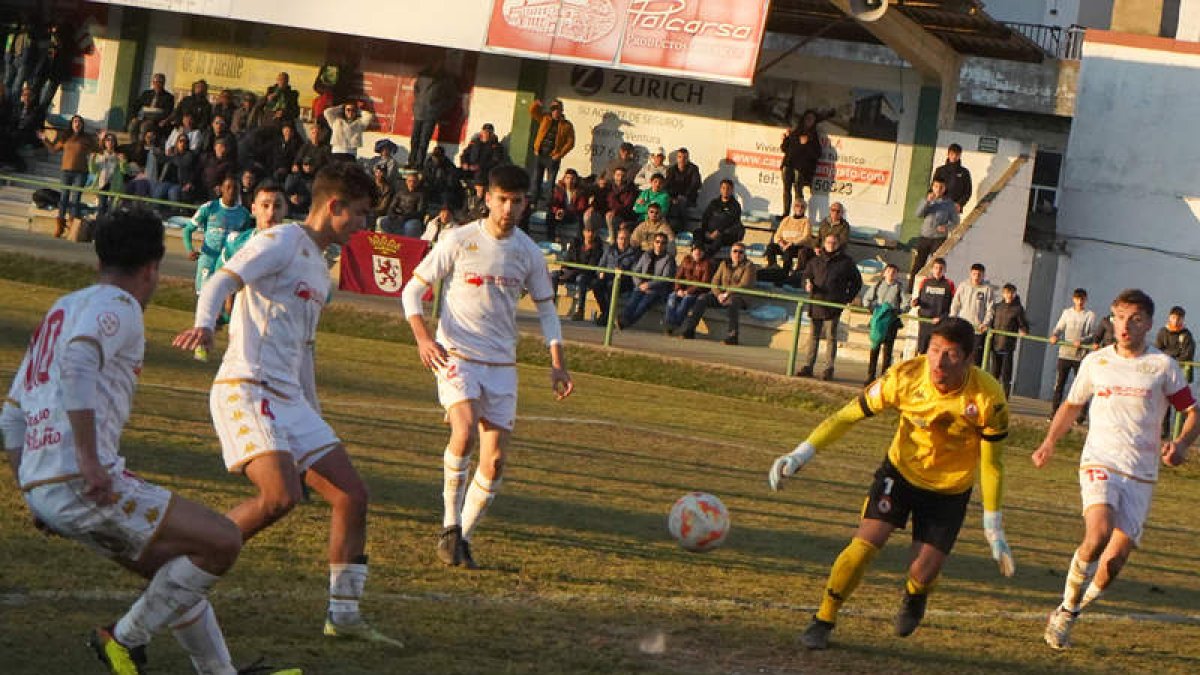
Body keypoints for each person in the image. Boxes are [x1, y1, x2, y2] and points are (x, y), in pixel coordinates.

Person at [0, 210, 251, 674]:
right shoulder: (120, 306)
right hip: (83, 479)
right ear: (153, 267)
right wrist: (88, 460)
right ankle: (123, 638)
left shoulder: (64, 305)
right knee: (222, 540)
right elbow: (78, 365)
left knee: (174, 570)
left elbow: (11, 416)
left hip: (44, 485)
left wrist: (32, 489)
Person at [172, 162, 400, 647]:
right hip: (248, 386)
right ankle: (184, 571)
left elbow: (305, 350)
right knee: (280, 499)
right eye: (358, 214)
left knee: (352, 496)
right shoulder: (280, 241)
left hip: (290, 401)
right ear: (333, 207)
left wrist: (314, 413)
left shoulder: (320, 269)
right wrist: (204, 324)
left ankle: (343, 614)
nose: (362, 225)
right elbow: (221, 282)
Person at [770, 317, 1015, 651]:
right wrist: (799, 455)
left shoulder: (989, 399)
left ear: (970, 358)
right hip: (899, 474)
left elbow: (991, 463)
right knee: (864, 545)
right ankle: (823, 618)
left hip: (948, 492)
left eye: (951, 354)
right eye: (934, 350)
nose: (939, 362)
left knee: (922, 572)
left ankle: (915, 596)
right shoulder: (904, 377)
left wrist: (993, 525)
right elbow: (847, 415)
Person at [402, 165, 574, 569]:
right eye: (502, 199)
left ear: (525, 203)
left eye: (516, 201)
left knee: (494, 462)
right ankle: (448, 524)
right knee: (463, 429)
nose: (508, 208)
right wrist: (424, 338)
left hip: (501, 365)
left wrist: (557, 364)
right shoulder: (459, 239)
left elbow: (548, 311)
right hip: (455, 354)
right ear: (488, 198)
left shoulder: (529, 253)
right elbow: (412, 291)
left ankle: (461, 536)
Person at [1032, 289, 1198, 651]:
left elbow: (1192, 411)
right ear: (1112, 318)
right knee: (1098, 533)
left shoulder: (1162, 366)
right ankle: (1067, 611)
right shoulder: (1097, 362)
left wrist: (1182, 445)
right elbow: (1073, 405)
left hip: (1140, 473)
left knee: (1113, 563)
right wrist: (1049, 442)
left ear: (1148, 324)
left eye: (1134, 318)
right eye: (1119, 316)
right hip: (1100, 460)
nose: (1125, 325)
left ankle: (1067, 610)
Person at [797, 233, 862, 380]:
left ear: (838, 244)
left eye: (834, 243)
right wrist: (807, 284)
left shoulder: (846, 262)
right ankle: (808, 366)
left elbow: (857, 282)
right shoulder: (815, 261)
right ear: (824, 243)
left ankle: (828, 368)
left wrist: (846, 299)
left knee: (831, 337)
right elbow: (805, 277)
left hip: (833, 305)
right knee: (813, 336)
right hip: (816, 303)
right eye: (828, 242)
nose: (831, 245)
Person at [182, 174, 253, 297]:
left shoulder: (244, 214)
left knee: (226, 299)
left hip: (229, 262)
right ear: (221, 189)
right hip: (208, 259)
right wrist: (189, 249)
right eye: (228, 187)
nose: (231, 191)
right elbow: (187, 230)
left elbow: (245, 241)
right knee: (204, 297)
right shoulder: (209, 208)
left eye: (235, 188)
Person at [678, 242, 756, 345]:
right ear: (730, 253)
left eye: (740, 252)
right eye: (735, 251)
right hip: (721, 296)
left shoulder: (749, 266)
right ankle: (690, 330)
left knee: (733, 303)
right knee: (702, 299)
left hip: (739, 297)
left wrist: (727, 294)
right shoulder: (724, 264)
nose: (737, 254)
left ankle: (733, 335)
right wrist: (718, 294)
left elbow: (744, 284)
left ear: (744, 254)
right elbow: (714, 281)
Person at [38, 114, 95, 237]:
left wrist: (101, 139)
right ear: (72, 124)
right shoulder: (66, 137)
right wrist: (45, 139)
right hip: (66, 171)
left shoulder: (86, 138)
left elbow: (97, 149)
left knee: (76, 199)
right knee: (64, 197)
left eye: (79, 121)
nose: (77, 123)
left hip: (81, 172)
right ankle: (60, 225)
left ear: (82, 125)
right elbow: (53, 150)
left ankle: (73, 225)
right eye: (75, 121)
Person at [1049, 289, 1097, 422]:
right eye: (1077, 299)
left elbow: (1092, 335)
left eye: (1082, 299)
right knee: (1059, 384)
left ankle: (1081, 416)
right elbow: (1059, 327)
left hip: (1080, 356)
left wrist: (1081, 341)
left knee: (1081, 386)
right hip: (1065, 354)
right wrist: (1055, 335)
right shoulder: (1067, 313)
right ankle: (1054, 413)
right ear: (1073, 299)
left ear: (1085, 300)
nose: (1079, 302)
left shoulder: (1089, 315)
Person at [618, 232, 677, 330]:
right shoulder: (646, 255)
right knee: (633, 301)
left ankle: (625, 322)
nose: (659, 245)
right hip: (641, 286)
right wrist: (640, 284)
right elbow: (636, 271)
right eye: (657, 242)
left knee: (643, 304)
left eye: (663, 243)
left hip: (656, 290)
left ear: (666, 245)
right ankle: (623, 319)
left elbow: (665, 278)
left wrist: (649, 285)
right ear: (653, 243)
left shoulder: (669, 259)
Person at [908, 178, 959, 290]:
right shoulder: (927, 200)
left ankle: (932, 287)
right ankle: (910, 289)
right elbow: (918, 214)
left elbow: (956, 222)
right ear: (932, 187)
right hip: (925, 236)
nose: (938, 189)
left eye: (941, 187)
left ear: (945, 189)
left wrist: (946, 227)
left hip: (939, 238)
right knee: (918, 264)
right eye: (936, 187)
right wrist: (927, 202)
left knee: (936, 264)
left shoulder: (949, 204)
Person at [552, 223, 606, 321]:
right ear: (584, 232)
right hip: (572, 271)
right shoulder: (576, 242)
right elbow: (568, 259)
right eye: (588, 231)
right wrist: (564, 269)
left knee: (581, 279)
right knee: (554, 275)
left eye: (593, 232)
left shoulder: (598, 248)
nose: (590, 234)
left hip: (587, 275)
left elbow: (590, 267)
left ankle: (580, 311)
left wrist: (571, 272)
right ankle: (550, 308)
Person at [1154, 306, 1195, 436]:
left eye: (1179, 318)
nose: (1176, 321)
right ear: (1169, 317)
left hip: (1182, 375)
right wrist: (1174, 355)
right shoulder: (1163, 332)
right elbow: (1157, 351)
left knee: (1183, 406)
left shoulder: (1187, 335)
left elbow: (1187, 355)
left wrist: (1169, 356)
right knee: (1163, 403)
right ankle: (1164, 432)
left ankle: (1180, 434)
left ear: (1183, 319)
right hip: (1164, 373)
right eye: (1173, 318)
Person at [863, 263, 906, 384]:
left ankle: (883, 377)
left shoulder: (899, 288)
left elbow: (905, 303)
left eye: (894, 272)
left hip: (891, 322)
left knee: (888, 350)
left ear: (897, 274)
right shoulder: (877, 285)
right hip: (878, 321)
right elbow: (866, 299)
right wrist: (873, 309)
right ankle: (870, 375)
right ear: (884, 273)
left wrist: (899, 310)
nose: (891, 274)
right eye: (889, 271)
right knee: (874, 347)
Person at [410, 59, 458, 168]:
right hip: (419, 112)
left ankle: (419, 163)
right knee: (414, 139)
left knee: (423, 141)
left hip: (431, 114)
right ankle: (411, 161)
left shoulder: (445, 79)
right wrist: (417, 103)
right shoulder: (422, 76)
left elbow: (451, 97)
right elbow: (416, 90)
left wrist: (439, 108)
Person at [779, 109, 828, 216]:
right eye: (807, 118)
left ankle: (798, 215)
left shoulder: (814, 136)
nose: (809, 121)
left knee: (798, 191)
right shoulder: (795, 132)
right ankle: (785, 214)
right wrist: (785, 139)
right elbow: (784, 148)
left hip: (801, 168)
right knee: (786, 190)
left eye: (812, 119)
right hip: (788, 165)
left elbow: (817, 154)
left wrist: (806, 144)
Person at [528, 99, 574, 204]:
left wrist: (559, 154)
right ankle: (534, 201)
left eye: (557, 108)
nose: (555, 111)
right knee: (536, 178)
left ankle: (548, 203)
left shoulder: (566, 125)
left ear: (562, 110)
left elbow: (570, 142)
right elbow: (532, 111)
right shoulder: (545, 118)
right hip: (540, 153)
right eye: (553, 108)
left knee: (550, 182)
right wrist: (536, 104)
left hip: (553, 157)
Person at [949, 263, 996, 365]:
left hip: (977, 329)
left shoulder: (987, 289)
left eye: (979, 274)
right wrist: (953, 319)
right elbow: (955, 304)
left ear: (983, 275)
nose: (976, 277)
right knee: (958, 354)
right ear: (970, 274)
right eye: (974, 274)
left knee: (974, 358)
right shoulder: (963, 286)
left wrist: (985, 323)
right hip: (962, 327)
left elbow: (990, 309)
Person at [988, 283, 1030, 397]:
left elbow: (1023, 324)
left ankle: (1005, 398)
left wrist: (1023, 330)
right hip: (995, 344)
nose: (1009, 295)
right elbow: (991, 322)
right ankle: (992, 396)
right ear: (1003, 294)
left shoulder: (1018, 309)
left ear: (1015, 293)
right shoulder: (997, 307)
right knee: (994, 373)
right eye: (1007, 293)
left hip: (1008, 346)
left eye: (1012, 293)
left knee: (1006, 374)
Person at [593, 227, 640, 326]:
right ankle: (606, 313)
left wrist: (623, 271)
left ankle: (606, 317)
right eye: (621, 238)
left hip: (623, 281)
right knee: (595, 284)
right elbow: (601, 265)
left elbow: (635, 271)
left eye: (625, 239)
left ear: (629, 240)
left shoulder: (634, 254)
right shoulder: (609, 250)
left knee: (611, 286)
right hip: (607, 277)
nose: (623, 241)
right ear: (617, 239)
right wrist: (600, 272)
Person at [664, 244, 713, 335]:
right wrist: (678, 289)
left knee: (686, 300)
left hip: (697, 292)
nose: (697, 252)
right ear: (692, 251)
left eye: (700, 251)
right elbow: (678, 277)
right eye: (695, 250)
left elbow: (703, 283)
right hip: (682, 290)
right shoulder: (686, 260)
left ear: (703, 253)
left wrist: (687, 291)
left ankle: (674, 325)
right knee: (672, 296)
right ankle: (668, 323)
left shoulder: (707, 264)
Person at [911, 258, 954, 355]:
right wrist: (915, 302)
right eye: (936, 268)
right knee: (922, 348)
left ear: (945, 270)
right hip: (924, 320)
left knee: (935, 349)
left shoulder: (949, 284)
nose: (938, 270)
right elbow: (920, 299)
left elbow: (952, 305)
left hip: (939, 322)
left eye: (941, 268)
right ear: (932, 269)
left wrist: (942, 318)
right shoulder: (925, 282)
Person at [763, 199, 814, 282]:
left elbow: (806, 237)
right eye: (797, 206)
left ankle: (784, 273)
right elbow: (777, 234)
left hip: (796, 246)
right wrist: (780, 242)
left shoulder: (806, 221)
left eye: (802, 207)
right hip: (783, 244)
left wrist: (792, 243)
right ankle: (772, 267)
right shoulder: (786, 219)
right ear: (794, 208)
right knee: (771, 247)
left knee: (788, 252)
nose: (799, 208)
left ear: (805, 209)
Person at [697, 179, 743, 257]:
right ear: (720, 189)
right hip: (710, 233)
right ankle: (697, 253)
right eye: (723, 188)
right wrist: (706, 232)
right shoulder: (714, 203)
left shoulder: (735, 206)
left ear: (732, 190)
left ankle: (707, 256)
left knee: (720, 239)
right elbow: (705, 217)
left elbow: (731, 222)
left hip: (725, 235)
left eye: (728, 188)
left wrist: (718, 232)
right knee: (697, 232)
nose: (725, 190)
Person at [88, 132, 127, 216]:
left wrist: (123, 162)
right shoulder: (99, 156)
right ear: (104, 142)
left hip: (114, 185)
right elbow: (93, 171)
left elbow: (124, 171)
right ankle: (100, 225)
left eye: (112, 140)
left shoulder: (119, 156)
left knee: (112, 210)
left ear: (115, 143)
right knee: (101, 208)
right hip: (102, 185)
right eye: (108, 140)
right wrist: (91, 160)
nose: (110, 142)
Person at [662, 147, 701, 230]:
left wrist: (682, 196)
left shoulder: (693, 169)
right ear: (677, 158)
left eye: (685, 157)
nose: (682, 160)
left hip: (688, 197)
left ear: (688, 158)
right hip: (673, 197)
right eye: (680, 157)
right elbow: (666, 185)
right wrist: (672, 197)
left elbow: (695, 185)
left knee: (681, 202)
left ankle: (682, 228)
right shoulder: (672, 169)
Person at [547, 168, 590, 243]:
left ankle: (579, 242)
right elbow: (553, 203)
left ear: (576, 180)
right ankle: (551, 239)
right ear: (564, 179)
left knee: (581, 219)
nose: (570, 181)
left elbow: (581, 207)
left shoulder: (580, 191)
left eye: (572, 178)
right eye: (568, 178)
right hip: (561, 214)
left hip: (573, 215)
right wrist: (557, 210)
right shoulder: (559, 189)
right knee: (550, 215)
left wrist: (566, 212)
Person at [932, 143, 972, 212]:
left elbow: (967, 191)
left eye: (957, 155)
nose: (954, 157)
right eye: (952, 154)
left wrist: (960, 204)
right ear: (947, 154)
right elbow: (933, 188)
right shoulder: (940, 170)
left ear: (960, 155)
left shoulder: (964, 172)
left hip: (954, 208)